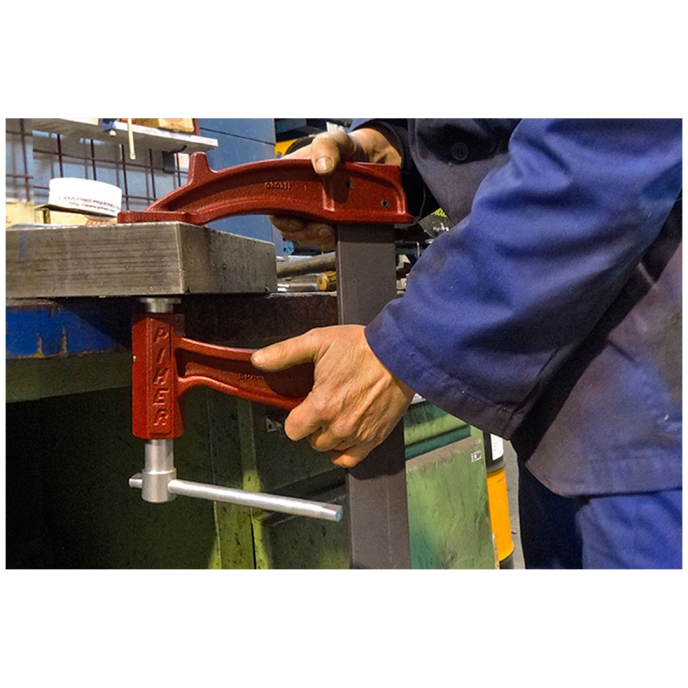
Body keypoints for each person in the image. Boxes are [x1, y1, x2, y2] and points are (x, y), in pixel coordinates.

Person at [251, 119, 682, 569]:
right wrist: (388, 143)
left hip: (648, 409)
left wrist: (408, 345)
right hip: (549, 426)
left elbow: (599, 154)